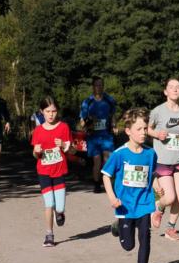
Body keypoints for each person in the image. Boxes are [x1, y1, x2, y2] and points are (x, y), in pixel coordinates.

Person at [102, 107, 158, 263]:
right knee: (128, 246)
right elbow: (106, 176)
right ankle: (118, 226)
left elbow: (152, 174)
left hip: (144, 203)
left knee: (145, 237)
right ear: (128, 131)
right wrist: (112, 198)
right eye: (139, 129)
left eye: (145, 129)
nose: (143, 133)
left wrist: (157, 185)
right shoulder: (119, 154)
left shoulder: (150, 153)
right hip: (125, 206)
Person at [148, 78, 179, 241]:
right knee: (169, 197)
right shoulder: (158, 111)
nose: (175, 89)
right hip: (163, 160)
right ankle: (159, 206)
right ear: (166, 92)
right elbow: (147, 129)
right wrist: (157, 134)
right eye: (171, 87)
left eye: (178, 87)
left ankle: (170, 228)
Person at [30, 96, 71, 248]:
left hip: (59, 171)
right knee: (49, 203)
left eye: (53, 111)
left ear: (57, 111)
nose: (51, 114)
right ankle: (49, 235)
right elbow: (35, 154)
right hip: (44, 171)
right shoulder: (38, 131)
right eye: (47, 111)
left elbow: (71, 149)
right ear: (42, 112)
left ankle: (59, 213)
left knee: (59, 207)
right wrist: (37, 151)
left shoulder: (64, 127)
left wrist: (64, 145)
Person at [80, 77, 117, 192]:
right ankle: (96, 184)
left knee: (108, 160)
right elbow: (82, 122)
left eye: (101, 85)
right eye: (96, 85)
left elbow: (113, 115)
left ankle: (108, 184)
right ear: (93, 87)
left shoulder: (109, 100)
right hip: (93, 137)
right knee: (97, 161)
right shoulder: (87, 102)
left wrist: (114, 125)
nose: (99, 87)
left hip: (106, 136)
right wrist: (90, 121)